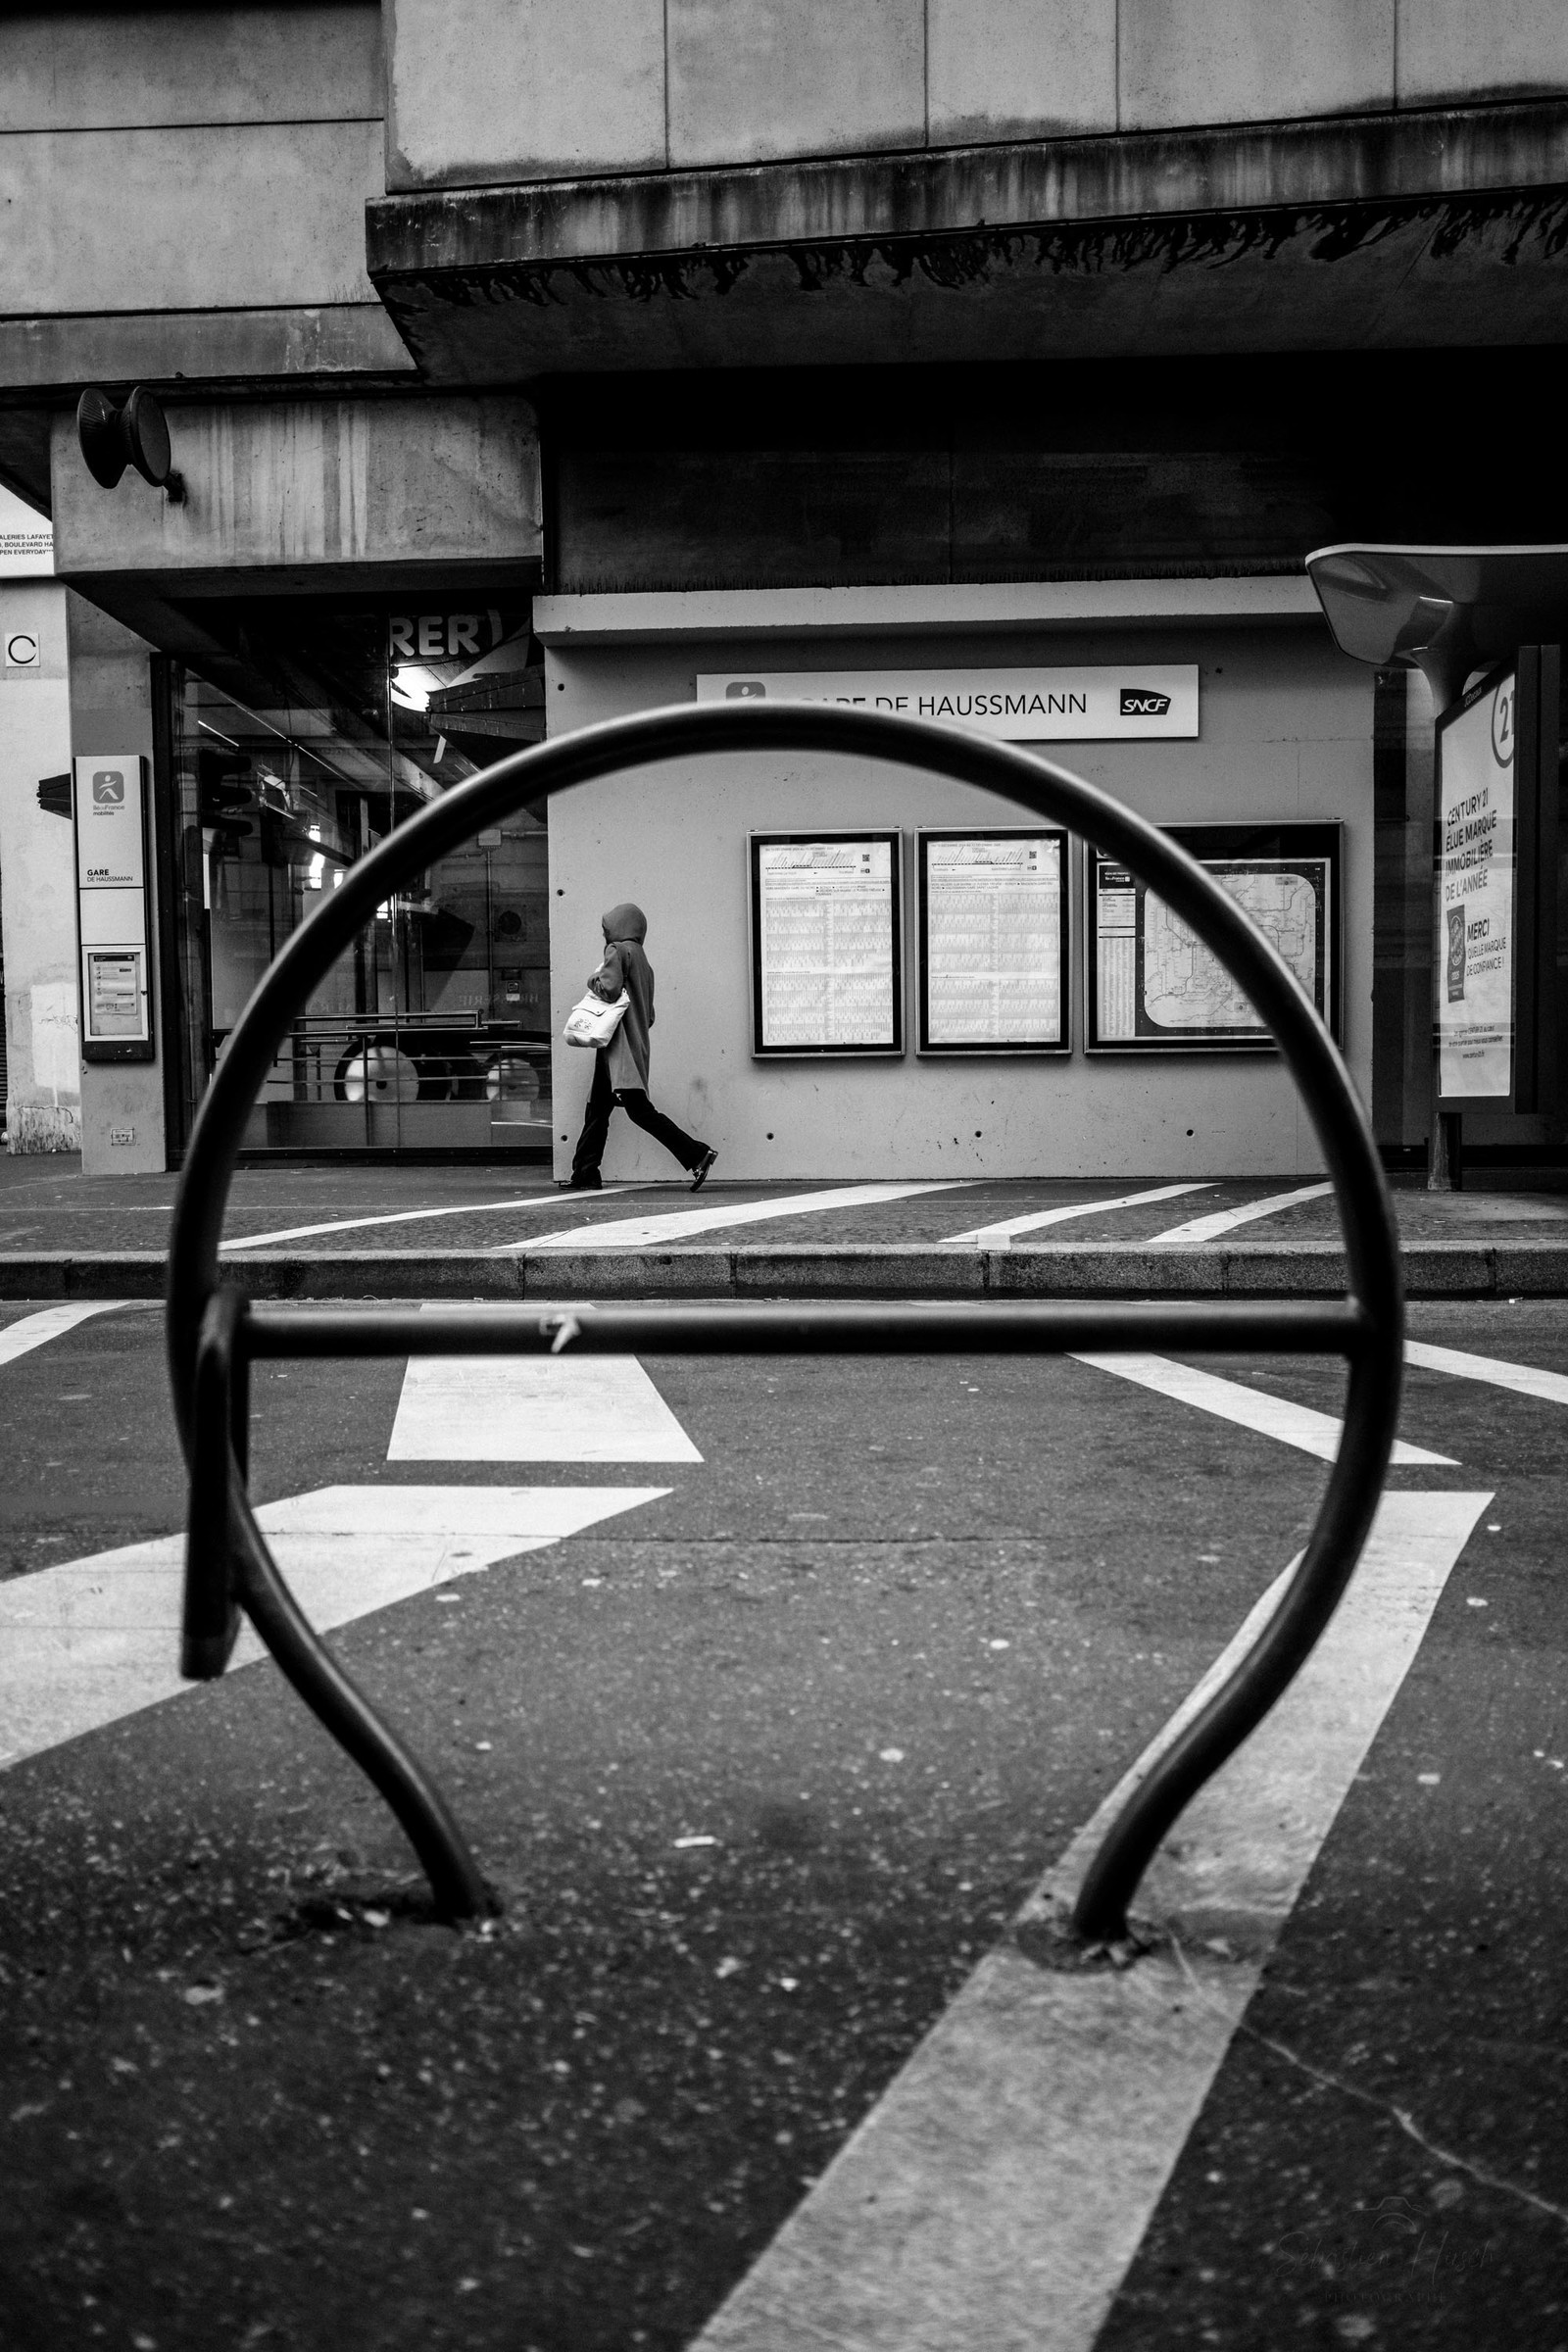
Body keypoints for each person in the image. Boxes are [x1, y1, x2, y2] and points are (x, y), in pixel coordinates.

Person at [568, 902, 717, 1192]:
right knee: (597, 1111)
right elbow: (648, 1015)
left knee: (640, 1112)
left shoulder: (617, 951)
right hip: (629, 1048)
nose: (605, 933)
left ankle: (697, 1153)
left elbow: (608, 989)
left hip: (617, 1052)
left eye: (607, 927)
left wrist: (591, 979)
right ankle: (585, 1173)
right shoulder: (643, 960)